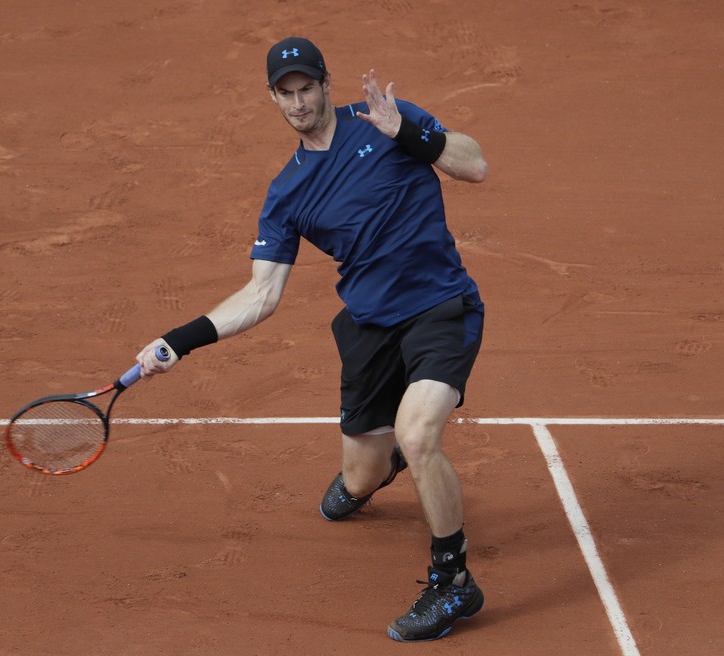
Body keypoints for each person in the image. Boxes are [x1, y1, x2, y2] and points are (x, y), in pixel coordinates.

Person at [136, 36, 488, 642]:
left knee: (419, 430)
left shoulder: (384, 121)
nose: (299, 103)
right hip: (370, 328)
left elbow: (473, 164)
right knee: (357, 480)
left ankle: (453, 582)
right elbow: (261, 294)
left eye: (307, 89)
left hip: (439, 306)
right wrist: (178, 340)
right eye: (286, 93)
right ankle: (380, 466)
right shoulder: (287, 194)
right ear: (274, 99)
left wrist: (409, 131)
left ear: (327, 84)